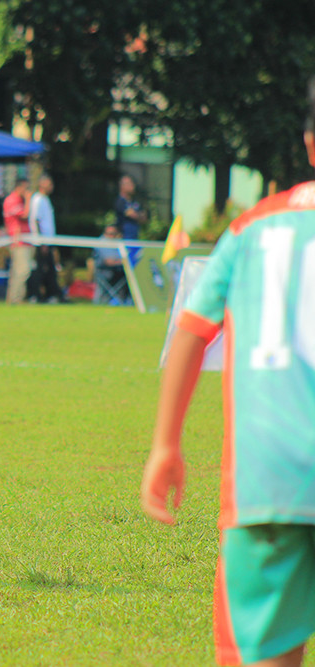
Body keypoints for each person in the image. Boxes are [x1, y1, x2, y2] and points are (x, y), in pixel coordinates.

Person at [141, 77, 315, 667]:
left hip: (269, 481)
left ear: (310, 143)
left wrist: (166, 442)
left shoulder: (252, 227)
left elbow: (192, 327)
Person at [28, 175, 64, 303]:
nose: (51, 187)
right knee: (39, 269)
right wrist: (41, 241)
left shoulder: (45, 199)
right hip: (41, 242)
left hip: (48, 241)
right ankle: (35, 295)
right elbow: (36, 220)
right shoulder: (38, 199)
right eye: (49, 184)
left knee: (50, 269)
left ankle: (52, 295)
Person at [2, 177, 32, 304]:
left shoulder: (18, 200)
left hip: (24, 240)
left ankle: (16, 298)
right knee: (22, 271)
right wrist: (29, 199)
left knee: (18, 271)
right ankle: (15, 298)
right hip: (18, 241)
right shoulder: (12, 200)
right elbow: (24, 215)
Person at [89, 224, 129, 304]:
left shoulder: (120, 243)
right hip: (106, 273)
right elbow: (109, 262)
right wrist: (124, 261)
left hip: (119, 271)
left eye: (114, 234)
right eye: (109, 234)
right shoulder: (102, 243)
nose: (111, 236)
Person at [115, 174, 148, 240]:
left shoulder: (135, 202)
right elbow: (132, 215)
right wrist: (138, 215)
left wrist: (137, 215)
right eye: (129, 184)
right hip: (124, 237)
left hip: (135, 237)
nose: (133, 186)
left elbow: (144, 218)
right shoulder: (120, 202)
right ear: (122, 186)